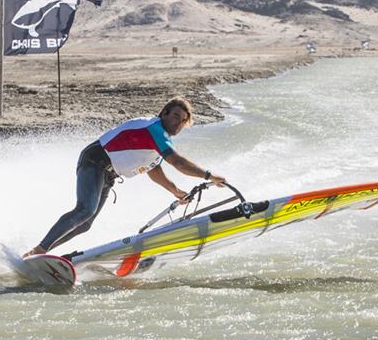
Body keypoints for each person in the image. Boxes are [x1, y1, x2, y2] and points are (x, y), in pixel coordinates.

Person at [23, 97, 226, 257]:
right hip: (95, 160)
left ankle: (40, 253)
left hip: (108, 173)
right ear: (164, 113)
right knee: (85, 210)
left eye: (183, 121)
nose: (178, 123)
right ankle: (39, 249)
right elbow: (178, 162)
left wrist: (175, 191)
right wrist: (209, 175)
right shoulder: (154, 128)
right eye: (175, 116)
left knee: (85, 224)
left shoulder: (159, 141)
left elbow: (154, 170)